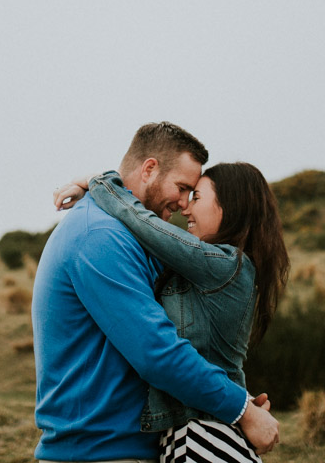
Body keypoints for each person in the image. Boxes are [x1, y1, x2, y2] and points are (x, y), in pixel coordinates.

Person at [32, 122, 280, 463]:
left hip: (129, 447)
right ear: (149, 169)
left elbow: (193, 340)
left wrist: (96, 182)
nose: (183, 204)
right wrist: (243, 411)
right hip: (100, 452)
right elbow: (157, 352)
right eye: (182, 188)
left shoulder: (128, 237)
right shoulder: (101, 237)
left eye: (193, 194)